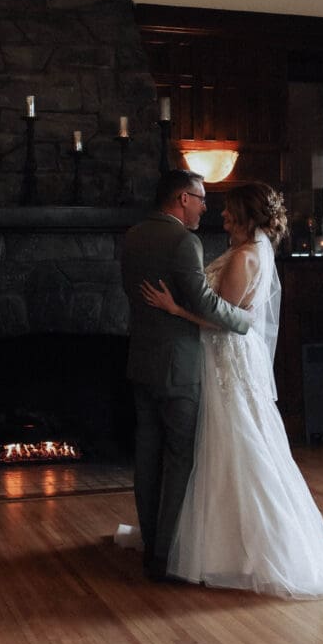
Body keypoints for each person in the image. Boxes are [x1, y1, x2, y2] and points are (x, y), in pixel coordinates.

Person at [139, 181, 323, 598]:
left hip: (226, 360)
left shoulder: (246, 257)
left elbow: (224, 319)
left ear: (249, 217)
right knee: (230, 445)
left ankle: (236, 549)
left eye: (231, 212)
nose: (223, 216)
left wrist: (175, 309)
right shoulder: (251, 251)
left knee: (236, 444)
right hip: (227, 360)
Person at [119, 169, 252, 582]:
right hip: (178, 369)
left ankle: (150, 548)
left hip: (141, 361)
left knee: (147, 457)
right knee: (179, 459)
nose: (205, 207)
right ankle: (165, 555)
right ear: (182, 198)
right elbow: (204, 301)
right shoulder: (183, 241)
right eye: (201, 198)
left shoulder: (133, 236)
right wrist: (244, 321)